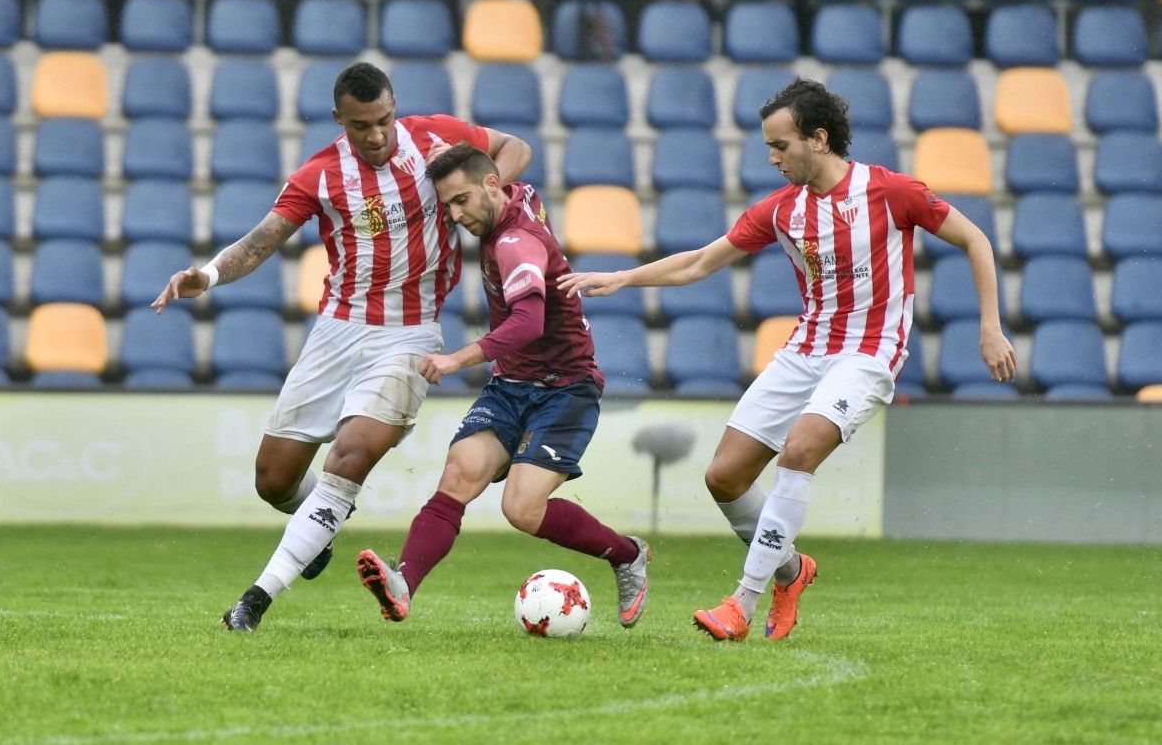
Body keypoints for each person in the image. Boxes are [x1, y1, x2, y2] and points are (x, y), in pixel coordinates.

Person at [559, 78, 1016, 642]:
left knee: (798, 452)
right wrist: (623, 277)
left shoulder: (890, 192)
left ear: (819, 139)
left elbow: (976, 240)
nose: (772, 158)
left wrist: (990, 327)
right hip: (806, 350)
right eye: (769, 147)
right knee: (724, 477)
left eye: (781, 146)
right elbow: (702, 262)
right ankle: (792, 571)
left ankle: (742, 604)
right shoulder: (782, 211)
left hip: (868, 353)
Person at [151, 62, 532, 631]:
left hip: (409, 335)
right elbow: (262, 240)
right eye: (361, 126)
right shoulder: (321, 175)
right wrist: (205, 276)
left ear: (395, 106)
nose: (376, 136)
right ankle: (318, 527)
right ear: (339, 121)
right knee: (274, 481)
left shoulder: (433, 136)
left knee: (348, 457)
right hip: (337, 330)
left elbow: (514, 148)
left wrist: (479, 202)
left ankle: (255, 601)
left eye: (383, 120)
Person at [355, 143, 651, 630]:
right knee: (458, 475)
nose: (454, 215)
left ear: (491, 186)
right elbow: (514, 151)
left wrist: (456, 358)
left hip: (565, 389)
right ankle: (402, 583)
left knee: (521, 507)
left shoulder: (516, 243)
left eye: (461, 201)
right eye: (448, 204)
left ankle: (627, 555)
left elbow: (529, 322)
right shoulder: (519, 196)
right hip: (512, 384)